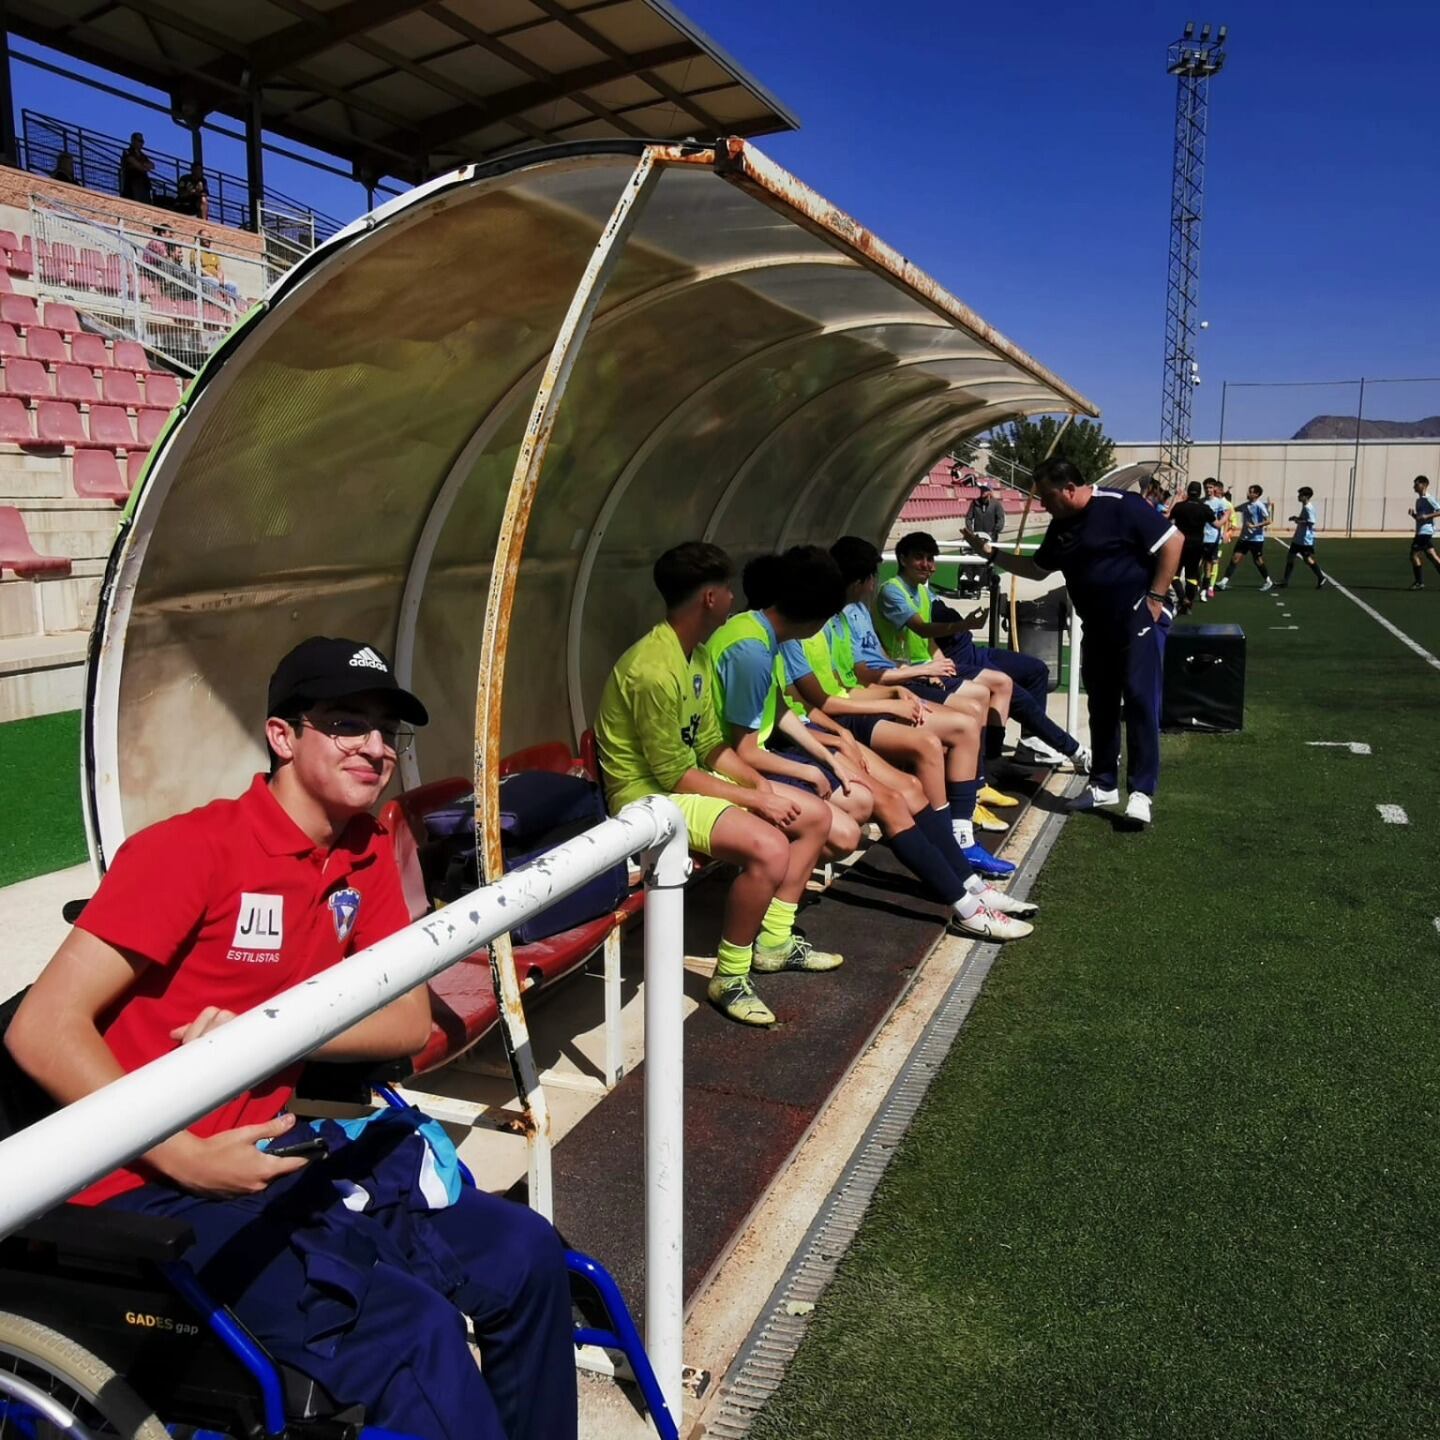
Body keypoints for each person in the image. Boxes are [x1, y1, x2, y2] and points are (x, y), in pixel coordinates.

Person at [5, 637, 577, 1440]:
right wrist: (183, 1155)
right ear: (283, 735)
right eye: (347, 724)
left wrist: (259, 1032)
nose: (375, 748)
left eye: (388, 732)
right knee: (411, 1335)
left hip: (278, 1159)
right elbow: (42, 1026)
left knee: (524, 1252)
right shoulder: (189, 851)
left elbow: (409, 1022)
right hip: (145, 1182)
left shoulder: (366, 848)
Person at [593, 542, 834, 1027]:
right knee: (769, 847)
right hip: (647, 801)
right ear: (709, 598)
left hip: (682, 783)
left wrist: (761, 789)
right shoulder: (653, 669)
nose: (732, 597)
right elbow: (672, 775)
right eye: (726, 589)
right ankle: (730, 976)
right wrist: (755, 801)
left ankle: (774, 941)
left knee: (816, 815)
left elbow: (710, 748)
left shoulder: (696, 655)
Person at [967, 458, 1183, 827]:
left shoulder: (1120, 506)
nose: (1043, 505)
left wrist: (1156, 599)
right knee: (1100, 702)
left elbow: (1173, 541)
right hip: (1096, 625)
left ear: (1069, 488)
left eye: (1048, 496)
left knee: (1139, 699)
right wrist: (992, 554)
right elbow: (1038, 568)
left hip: (1136, 618)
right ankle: (1102, 783)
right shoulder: (1061, 526)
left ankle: (1142, 792)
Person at [1217, 484, 1273, 592]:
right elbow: (1233, 509)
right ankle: (1224, 582)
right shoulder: (1246, 505)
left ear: (1256, 494)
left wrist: (1254, 526)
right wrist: (1224, 499)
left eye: (1250, 492)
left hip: (1256, 539)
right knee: (1235, 558)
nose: (1248, 494)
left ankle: (1268, 581)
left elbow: (1268, 521)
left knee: (1258, 561)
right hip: (1244, 538)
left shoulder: (1259, 506)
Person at [1168, 480, 1213, 613]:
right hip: (1197, 545)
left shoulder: (1179, 506)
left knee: (1174, 574)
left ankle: (1182, 598)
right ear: (1200, 493)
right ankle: (1188, 600)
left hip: (1180, 544)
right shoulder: (1204, 508)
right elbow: (1216, 524)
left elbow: (1168, 520)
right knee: (1191, 576)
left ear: (1188, 491)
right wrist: (1226, 515)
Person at [1277, 487, 1328, 589]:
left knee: (1307, 559)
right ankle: (1285, 581)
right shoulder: (1305, 507)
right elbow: (1304, 519)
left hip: (1305, 540)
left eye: (1300, 495)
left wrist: (1298, 521)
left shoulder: (1308, 508)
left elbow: (1311, 522)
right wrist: (1296, 518)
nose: (1298, 497)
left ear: (1306, 497)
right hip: (1298, 538)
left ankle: (1321, 577)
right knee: (1290, 557)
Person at [1200, 477, 1232, 601]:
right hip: (1201, 537)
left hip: (1213, 538)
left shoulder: (1220, 503)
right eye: (1206, 487)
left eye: (1210, 487)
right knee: (1199, 564)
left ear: (1215, 489)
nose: (1208, 490)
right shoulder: (1202, 502)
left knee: (1209, 565)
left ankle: (1205, 589)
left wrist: (1225, 533)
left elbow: (1226, 517)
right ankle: (1198, 587)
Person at [1407, 475, 1439, 590]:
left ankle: (1419, 582)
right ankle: (1419, 582)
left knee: (1413, 555)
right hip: (1420, 532)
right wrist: (1413, 515)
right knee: (1432, 557)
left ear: (1424, 485)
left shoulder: (1429, 498)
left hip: (1425, 533)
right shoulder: (1419, 500)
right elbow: (1419, 519)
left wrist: (1427, 516)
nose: (1414, 486)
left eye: (1416, 484)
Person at [119, 133, 155, 204]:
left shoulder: (143, 155)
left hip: (144, 185)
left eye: (142, 141)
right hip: (132, 184)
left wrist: (141, 165)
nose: (141, 143)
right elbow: (137, 164)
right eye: (139, 141)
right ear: (133, 140)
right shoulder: (127, 151)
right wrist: (143, 165)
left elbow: (152, 165)